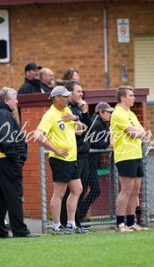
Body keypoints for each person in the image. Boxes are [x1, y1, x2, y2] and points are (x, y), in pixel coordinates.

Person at [0, 87, 37, 239]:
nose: (17, 101)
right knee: (14, 196)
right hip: (5, 160)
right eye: (15, 98)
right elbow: (6, 140)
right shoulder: (5, 114)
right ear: (6, 101)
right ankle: (20, 230)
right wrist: (16, 158)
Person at [34, 86, 83, 235]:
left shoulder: (68, 111)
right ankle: (56, 226)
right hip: (60, 159)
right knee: (59, 193)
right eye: (64, 96)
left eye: (68, 96)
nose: (68, 98)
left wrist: (76, 118)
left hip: (72, 158)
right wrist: (55, 150)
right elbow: (38, 135)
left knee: (77, 189)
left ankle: (71, 224)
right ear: (56, 98)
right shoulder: (50, 115)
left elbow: (80, 132)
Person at [111, 85, 148, 232]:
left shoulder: (131, 114)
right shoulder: (118, 113)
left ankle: (131, 223)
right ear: (122, 98)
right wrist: (138, 132)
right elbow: (133, 133)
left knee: (135, 191)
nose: (133, 98)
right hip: (125, 155)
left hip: (136, 154)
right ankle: (120, 224)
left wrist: (139, 132)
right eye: (131, 95)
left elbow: (143, 132)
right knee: (126, 190)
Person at [59, 81, 91, 233]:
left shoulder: (77, 110)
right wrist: (78, 119)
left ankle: (76, 222)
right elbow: (78, 132)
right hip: (74, 155)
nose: (81, 94)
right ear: (70, 93)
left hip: (84, 155)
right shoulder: (67, 110)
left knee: (80, 190)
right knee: (71, 191)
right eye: (78, 91)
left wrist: (84, 113)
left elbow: (87, 129)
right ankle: (67, 223)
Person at [79, 102, 114, 224]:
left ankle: (80, 216)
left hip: (93, 163)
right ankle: (79, 217)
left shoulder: (104, 123)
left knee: (90, 190)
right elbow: (93, 142)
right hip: (87, 162)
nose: (110, 114)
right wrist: (107, 144)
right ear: (101, 112)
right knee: (92, 190)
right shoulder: (95, 122)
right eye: (108, 112)